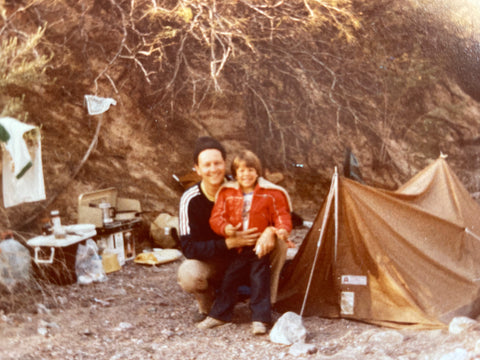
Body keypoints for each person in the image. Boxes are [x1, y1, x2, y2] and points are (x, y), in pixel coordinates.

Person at [177, 137, 288, 327]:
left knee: (279, 242)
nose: (213, 169)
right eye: (207, 165)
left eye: (217, 163)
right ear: (197, 168)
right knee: (189, 273)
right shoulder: (191, 199)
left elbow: (284, 212)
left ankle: (266, 305)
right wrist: (228, 243)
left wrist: (270, 230)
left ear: (225, 163)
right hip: (216, 261)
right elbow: (188, 248)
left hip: (252, 253)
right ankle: (208, 307)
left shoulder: (243, 182)